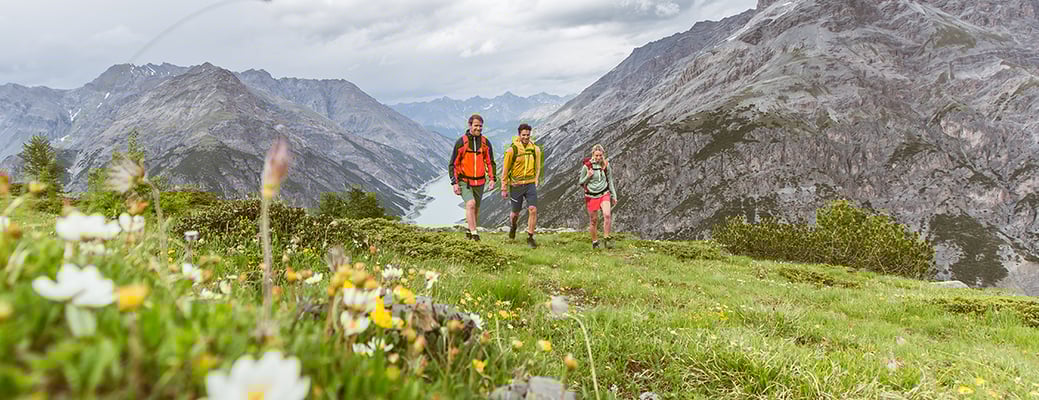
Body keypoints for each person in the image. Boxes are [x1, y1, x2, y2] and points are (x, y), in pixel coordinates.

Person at [448, 114, 496, 241]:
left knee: (476, 208)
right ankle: (475, 234)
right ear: (470, 125)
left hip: (480, 181)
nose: (478, 128)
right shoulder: (461, 142)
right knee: (470, 204)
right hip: (465, 181)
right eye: (476, 125)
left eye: (480, 126)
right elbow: (453, 164)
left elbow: (490, 162)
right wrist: (454, 183)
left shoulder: (485, 143)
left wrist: (492, 179)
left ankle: (469, 231)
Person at [500, 123, 543, 248]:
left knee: (533, 209)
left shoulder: (535, 149)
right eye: (523, 135)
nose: (526, 137)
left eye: (528, 135)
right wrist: (504, 187)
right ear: (519, 135)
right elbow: (505, 169)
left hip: (530, 184)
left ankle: (530, 237)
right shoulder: (512, 150)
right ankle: (513, 226)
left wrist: (536, 179)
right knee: (515, 214)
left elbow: (538, 167)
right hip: (516, 185)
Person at [578, 144, 617, 249]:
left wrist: (614, 195)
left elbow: (610, 181)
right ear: (593, 155)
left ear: (603, 154)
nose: (598, 157)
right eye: (596, 155)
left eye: (600, 155)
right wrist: (588, 176)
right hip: (591, 196)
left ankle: (606, 238)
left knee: (607, 215)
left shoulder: (606, 165)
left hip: (604, 193)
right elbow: (581, 182)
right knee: (594, 220)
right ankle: (595, 242)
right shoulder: (587, 166)